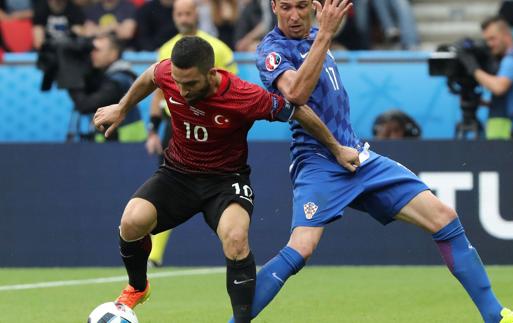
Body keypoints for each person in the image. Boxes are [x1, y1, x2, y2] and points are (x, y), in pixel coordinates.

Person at [228, 1, 513, 322]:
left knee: (443, 216)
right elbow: (295, 96)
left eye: (301, 6)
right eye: (286, 7)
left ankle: (496, 316)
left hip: (358, 154)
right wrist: (326, 33)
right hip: (318, 161)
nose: (295, 15)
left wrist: (323, 33)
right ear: (273, 7)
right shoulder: (272, 50)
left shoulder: (316, 35)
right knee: (301, 248)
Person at [92, 36, 359, 322]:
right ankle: (138, 287)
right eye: (179, 82)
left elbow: (297, 110)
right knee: (132, 221)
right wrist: (122, 107)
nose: (182, 90)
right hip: (177, 174)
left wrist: (336, 148)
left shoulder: (245, 96)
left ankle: (241, 319)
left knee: (235, 238)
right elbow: (150, 76)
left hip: (225, 180)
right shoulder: (171, 73)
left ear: (210, 73)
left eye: (191, 84)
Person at [145, 0, 238, 268]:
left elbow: (231, 88)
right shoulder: (166, 48)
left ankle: (235, 247)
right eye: (179, 14)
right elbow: (158, 90)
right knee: (165, 191)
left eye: (188, 13)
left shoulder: (218, 49)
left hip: (213, 133)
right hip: (176, 131)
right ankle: (154, 255)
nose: (184, 18)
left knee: (220, 192)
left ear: (197, 14)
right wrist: (152, 129)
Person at [458, 16, 513, 139]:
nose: (489, 44)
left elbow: (499, 88)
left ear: (507, 35)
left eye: (493, 39)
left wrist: (472, 67)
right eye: (487, 40)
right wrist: (485, 103)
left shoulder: (511, 60)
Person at [68, 33, 146, 142]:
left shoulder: (118, 80)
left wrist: (70, 78)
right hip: (120, 144)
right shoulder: (112, 75)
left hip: (126, 146)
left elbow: (85, 105)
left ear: (113, 53)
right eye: (91, 50)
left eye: (97, 50)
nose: (92, 54)